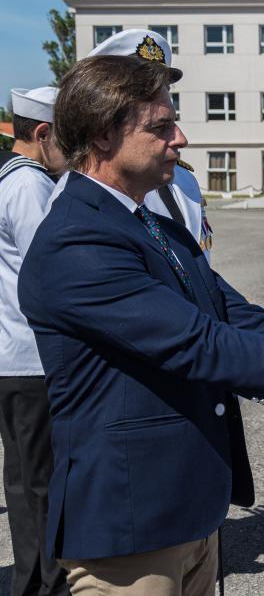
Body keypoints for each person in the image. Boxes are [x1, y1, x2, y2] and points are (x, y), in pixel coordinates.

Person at [19, 54, 264, 596]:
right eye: (161, 126)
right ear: (102, 136)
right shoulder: (78, 239)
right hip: (131, 524)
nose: (181, 138)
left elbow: (234, 314)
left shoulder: (146, 220)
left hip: (188, 506)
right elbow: (200, 343)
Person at [46, 29, 213, 260]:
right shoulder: (75, 212)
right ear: (104, 130)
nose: (181, 139)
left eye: (162, 84)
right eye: (157, 126)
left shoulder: (181, 177)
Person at [0, 86, 70, 596]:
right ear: (43, 135)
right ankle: (49, 583)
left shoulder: (8, 177)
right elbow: (50, 275)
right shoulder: (31, 187)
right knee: (42, 482)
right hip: (32, 358)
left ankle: (29, 582)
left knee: (23, 480)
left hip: (11, 356)